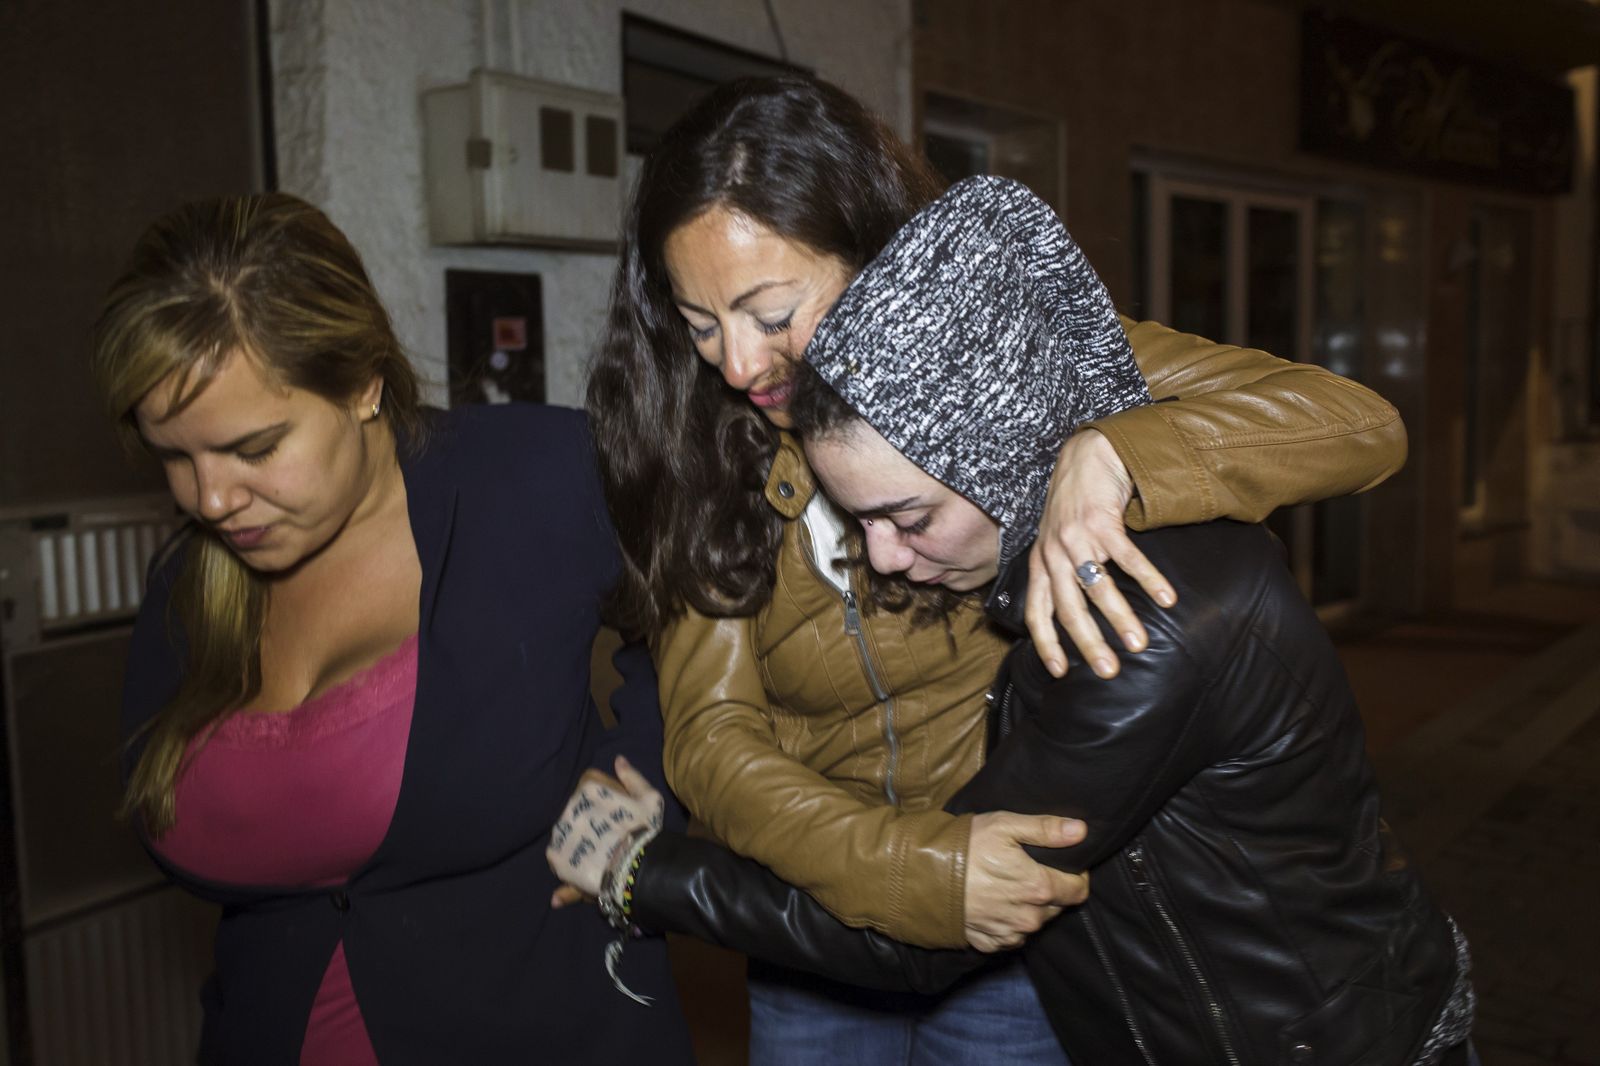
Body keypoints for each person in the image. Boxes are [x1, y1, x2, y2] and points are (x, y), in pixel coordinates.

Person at [580, 74, 1410, 1062]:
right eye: (699, 323)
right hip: (817, 912)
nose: (738, 365)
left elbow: (1358, 423)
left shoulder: (1006, 351)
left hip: (1018, 939)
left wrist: (1114, 455)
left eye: (772, 313)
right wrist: (912, 869)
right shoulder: (701, 445)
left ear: (878, 258)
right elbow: (713, 739)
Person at [93, 193, 693, 1065]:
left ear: (364, 383)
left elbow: (704, 602)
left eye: (255, 449)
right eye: (175, 457)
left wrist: (647, 767)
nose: (211, 500)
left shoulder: (535, 477)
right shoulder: (186, 582)